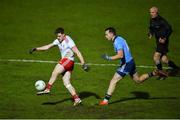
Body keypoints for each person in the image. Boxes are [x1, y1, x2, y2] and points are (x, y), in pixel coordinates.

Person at [99, 27, 167, 105]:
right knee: (138, 80)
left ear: (111, 34)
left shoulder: (117, 42)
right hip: (131, 62)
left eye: (106, 34)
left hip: (127, 64)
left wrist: (108, 58)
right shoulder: (120, 38)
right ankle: (154, 73)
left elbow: (120, 55)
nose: (105, 36)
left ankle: (105, 101)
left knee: (113, 81)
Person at [29, 27, 88, 106]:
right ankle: (77, 99)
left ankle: (47, 88)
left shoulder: (69, 41)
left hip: (68, 60)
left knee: (55, 71)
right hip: (69, 64)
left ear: (63, 35)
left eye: (59, 36)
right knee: (66, 82)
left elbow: (77, 52)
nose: (58, 38)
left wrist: (83, 63)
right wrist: (36, 49)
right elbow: (47, 47)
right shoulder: (58, 40)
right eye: (57, 36)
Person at [148, 6, 178, 79]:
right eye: (150, 12)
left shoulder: (162, 21)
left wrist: (164, 38)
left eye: (152, 12)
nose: (151, 14)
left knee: (156, 57)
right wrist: (151, 33)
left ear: (156, 12)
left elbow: (170, 29)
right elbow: (151, 28)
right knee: (164, 59)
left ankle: (161, 73)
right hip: (158, 42)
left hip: (163, 42)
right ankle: (177, 68)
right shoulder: (151, 19)